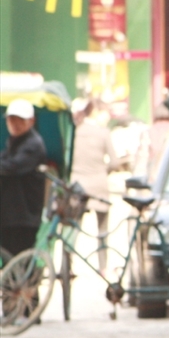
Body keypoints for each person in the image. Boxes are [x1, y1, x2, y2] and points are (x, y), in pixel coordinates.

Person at [70, 98, 122, 273]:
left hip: (77, 185)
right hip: (99, 185)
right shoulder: (103, 133)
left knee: (74, 228)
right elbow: (114, 163)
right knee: (102, 230)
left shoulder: (75, 132)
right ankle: (103, 267)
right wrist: (102, 170)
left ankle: (67, 266)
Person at [1, 99, 47, 257]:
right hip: (9, 216)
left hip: (23, 218)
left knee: (18, 260)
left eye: (20, 120)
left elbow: (12, 167)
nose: (15, 124)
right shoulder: (13, 144)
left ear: (31, 121)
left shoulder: (33, 144)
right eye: (11, 119)